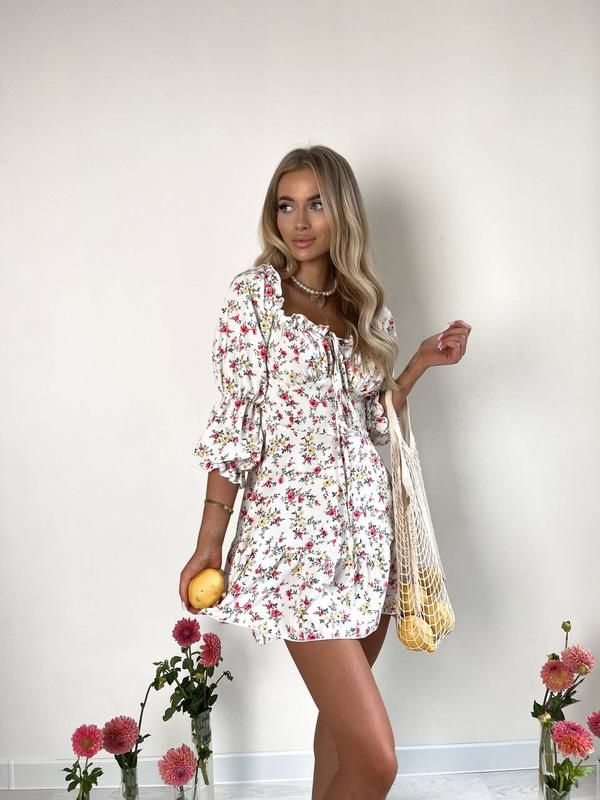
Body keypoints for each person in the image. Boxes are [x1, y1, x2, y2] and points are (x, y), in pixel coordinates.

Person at [180, 144, 472, 800]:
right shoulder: (255, 299)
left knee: (341, 735)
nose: (300, 221)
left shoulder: (366, 308)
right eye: (286, 205)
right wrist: (209, 543)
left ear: (342, 211)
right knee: (377, 760)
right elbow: (235, 425)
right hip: (294, 546)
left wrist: (417, 365)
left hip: (368, 538)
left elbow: (373, 423)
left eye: (315, 204)